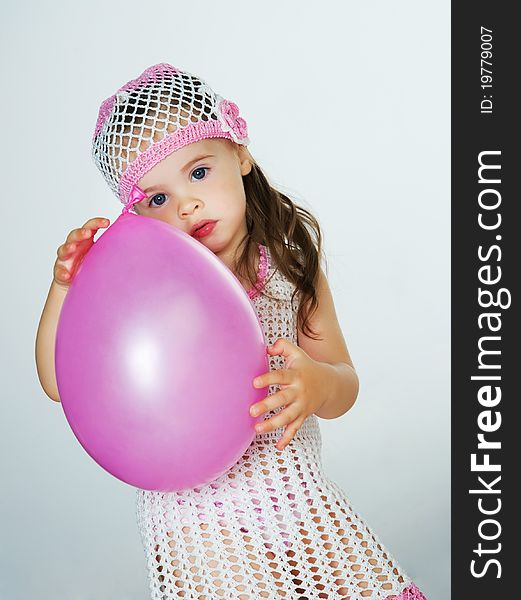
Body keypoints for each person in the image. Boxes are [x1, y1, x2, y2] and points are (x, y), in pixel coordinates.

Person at [35, 63, 426, 599]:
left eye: (198, 173)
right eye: (156, 199)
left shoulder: (289, 268)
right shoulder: (144, 292)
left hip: (294, 493)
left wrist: (316, 383)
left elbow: (345, 383)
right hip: (199, 518)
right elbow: (60, 383)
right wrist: (65, 287)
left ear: (238, 152)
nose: (186, 205)